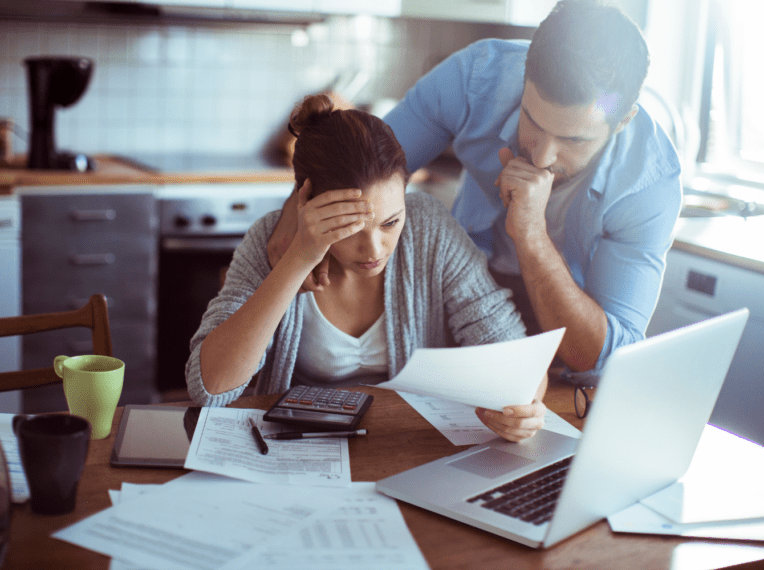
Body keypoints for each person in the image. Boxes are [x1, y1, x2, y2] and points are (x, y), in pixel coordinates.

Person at [267, 0, 682, 381]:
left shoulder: (650, 186)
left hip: (571, 326)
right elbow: (362, 163)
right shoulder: (477, 77)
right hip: (466, 293)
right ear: (525, 77)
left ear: (623, 120)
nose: (541, 157)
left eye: (573, 140)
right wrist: (296, 214)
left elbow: (601, 356)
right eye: (534, 121)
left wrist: (532, 236)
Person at [186, 94, 547, 443]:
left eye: (390, 223)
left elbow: (513, 352)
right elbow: (209, 388)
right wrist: (297, 261)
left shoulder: (429, 228)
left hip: (403, 445)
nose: (374, 250)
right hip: (299, 448)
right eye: (351, 230)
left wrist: (525, 406)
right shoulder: (271, 240)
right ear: (306, 205)